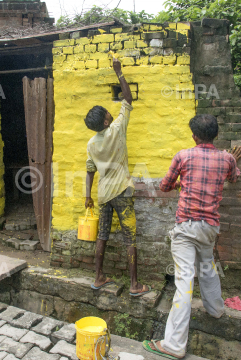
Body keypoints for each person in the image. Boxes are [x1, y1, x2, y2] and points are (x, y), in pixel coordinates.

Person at [143, 114, 241, 359]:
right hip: (209, 227)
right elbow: (234, 178)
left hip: (186, 228)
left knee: (184, 282)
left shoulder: (184, 155)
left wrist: (180, 184)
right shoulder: (227, 158)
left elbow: (165, 186)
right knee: (208, 267)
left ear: (194, 136)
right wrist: (233, 159)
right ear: (216, 135)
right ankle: (216, 309)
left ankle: (174, 345)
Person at [84, 57, 150, 297]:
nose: (110, 112)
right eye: (107, 112)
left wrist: (87, 197)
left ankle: (98, 277)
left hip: (102, 195)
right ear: (105, 120)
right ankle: (134, 285)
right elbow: (128, 99)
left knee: (102, 235)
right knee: (129, 236)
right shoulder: (117, 128)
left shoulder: (91, 143)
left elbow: (90, 170)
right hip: (122, 191)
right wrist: (119, 72)